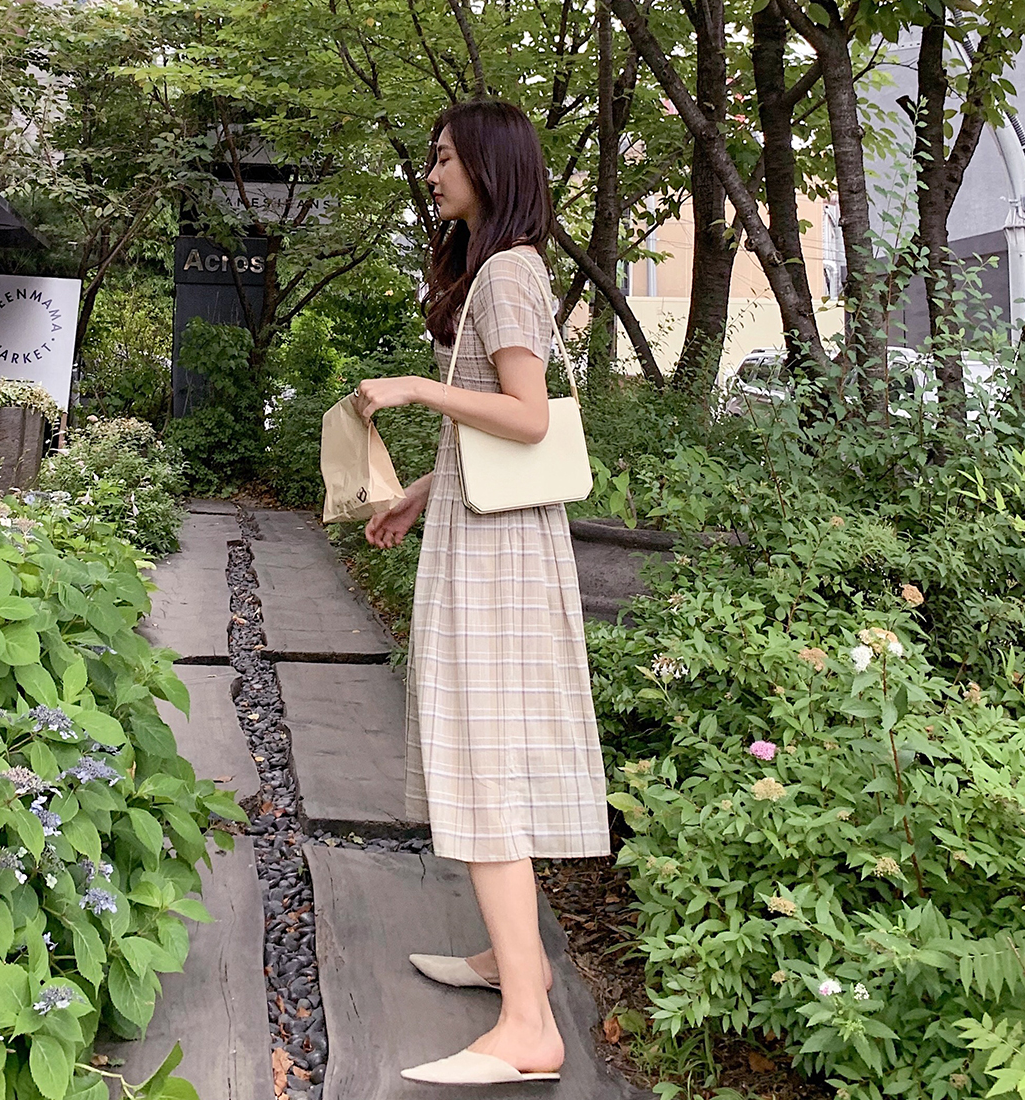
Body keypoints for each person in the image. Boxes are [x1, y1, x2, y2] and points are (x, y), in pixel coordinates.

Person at [352, 99, 609, 1087]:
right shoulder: (499, 266)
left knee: (483, 764)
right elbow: (493, 426)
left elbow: (528, 416)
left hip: (498, 558)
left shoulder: (506, 271)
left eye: (446, 158)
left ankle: (529, 1027)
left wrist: (413, 390)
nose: (432, 173)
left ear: (490, 168)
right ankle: (516, 960)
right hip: (485, 535)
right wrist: (421, 492)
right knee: (480, 754)